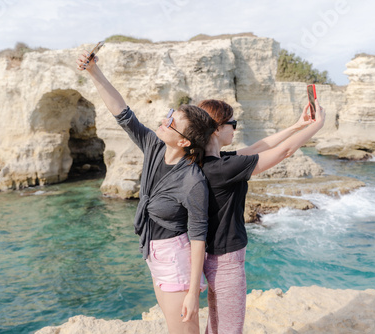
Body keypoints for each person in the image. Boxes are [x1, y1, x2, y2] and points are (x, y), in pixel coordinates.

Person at [76, 52, 218, 334]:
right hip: (153, 253)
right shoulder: (154, 147)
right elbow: (122, 114)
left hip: (176, 261)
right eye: (169, 115)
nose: (164, 121)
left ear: (184, 141)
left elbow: (198, 237)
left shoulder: (192, 181)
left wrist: (192, 291)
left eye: (172, 122)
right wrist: (94, 71)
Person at [198, 99, 325, 334]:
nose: (235, 129)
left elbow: (258, 147)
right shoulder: (224, 168)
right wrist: (317, 126)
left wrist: (298, 125)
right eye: (232, 123)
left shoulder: (212, 163)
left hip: (211, 257)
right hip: (227, 263)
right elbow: (284, 152)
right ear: (216, 129)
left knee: (214, 325)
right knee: (229, 329)